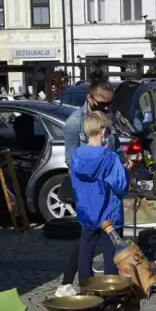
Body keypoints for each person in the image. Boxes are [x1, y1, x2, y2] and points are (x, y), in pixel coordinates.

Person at [61, 70, 122, 285]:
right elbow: (71, 160)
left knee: (91, 240)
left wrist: (120, 160)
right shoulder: (74, 122)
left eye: (109, 104)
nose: (106, 108)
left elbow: (115, 147)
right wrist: (102, 168)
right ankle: (75, 283)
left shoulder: (108, 117)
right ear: (89, 97)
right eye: (102, 104)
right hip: (90, 191)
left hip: (105, 190)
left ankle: (80, 283)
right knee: (90, 240)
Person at [70, 112, 129, 281]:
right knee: (111, 257)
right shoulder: (110, 157)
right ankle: (110, 295)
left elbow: (75, 185)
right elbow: (121, 186)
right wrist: (125, 169)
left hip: (86, 211)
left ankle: (86, 291)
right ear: (103, 132)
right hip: (109, 216)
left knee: (85, 253)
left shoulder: (76, 156)